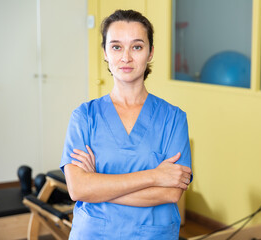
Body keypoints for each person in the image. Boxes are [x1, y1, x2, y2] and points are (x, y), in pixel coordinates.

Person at [60, 9, 192, 239]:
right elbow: (78, 189)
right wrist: (154, 176)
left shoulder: (173, 119)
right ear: (105, 52)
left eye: (137, 47)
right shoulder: (84, 116)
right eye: (116, 46)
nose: (126, 58)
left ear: (150, 53)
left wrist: (98, 188)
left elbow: (171, 193)